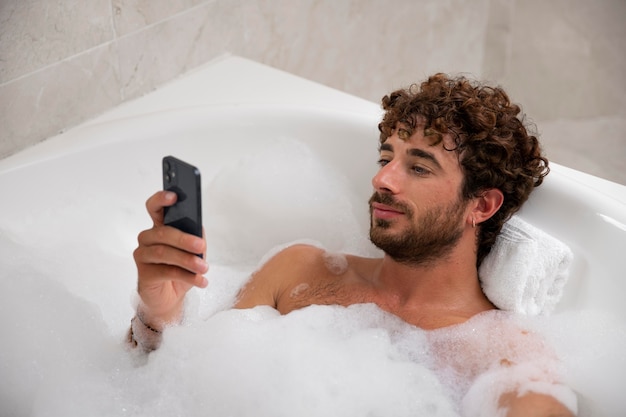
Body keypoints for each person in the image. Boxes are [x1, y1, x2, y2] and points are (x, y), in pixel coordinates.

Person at [130, 74, 575, 416]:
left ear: (480, 206)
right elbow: (167, 387)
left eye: (418, 168)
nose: (382, 180)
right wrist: (157, 314)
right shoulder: (297, 271)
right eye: (386, 158)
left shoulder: (505, 360)